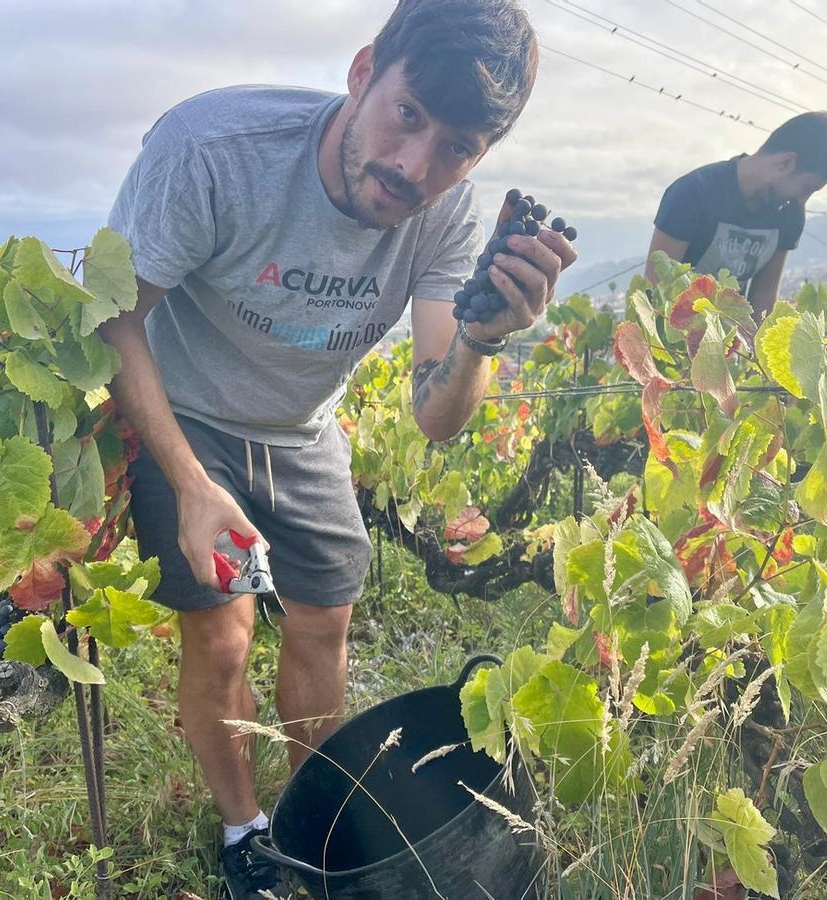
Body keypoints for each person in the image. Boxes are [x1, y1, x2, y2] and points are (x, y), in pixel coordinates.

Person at [99, 1, 575, 896]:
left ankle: (313, 820)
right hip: (187, 409)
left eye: (458, 148)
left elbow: (435, 415)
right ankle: (246, 838)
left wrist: (483, 338)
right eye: (408, 116)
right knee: (225, 635)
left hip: (306, 426)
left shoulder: (448, 214)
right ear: (363, 73)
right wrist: (190, 484)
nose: (415, 166)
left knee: (324, 623)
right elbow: (116, 323)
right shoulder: (216, 150)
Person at [645, 111, 827, 316]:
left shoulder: (790, 213)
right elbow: (656, 288)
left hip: (732, 345)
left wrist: (754, 349)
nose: (803, 200)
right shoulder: (693, 192)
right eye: (806, 188)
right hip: (674, 339)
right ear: (786, 163)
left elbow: (764, 294)